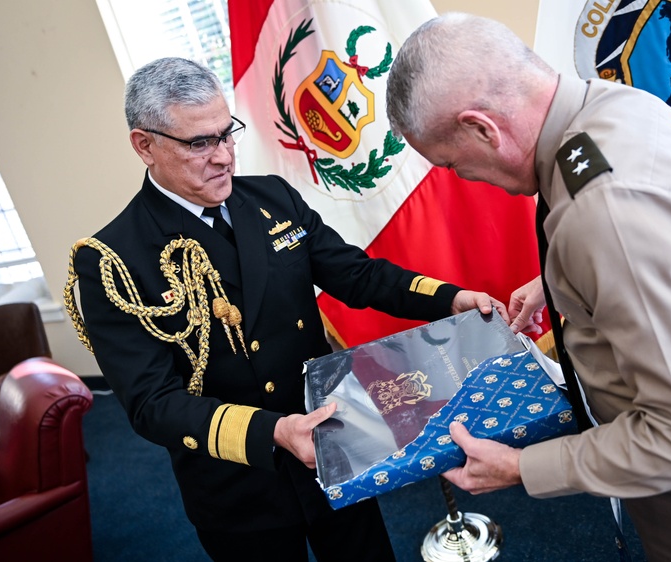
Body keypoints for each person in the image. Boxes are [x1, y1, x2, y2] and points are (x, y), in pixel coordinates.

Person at [386, 13, 671, 562]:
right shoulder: (607, 107)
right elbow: (668, 247)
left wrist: (521, 467)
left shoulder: (605, 214)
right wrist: (560, 283)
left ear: (483, 128)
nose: (463, 179)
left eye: (453, 164)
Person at [66, 57, 508, 562]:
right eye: (199, 143)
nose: (224, 156)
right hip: (237, 481)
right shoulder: (113, 259)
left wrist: (449, 298)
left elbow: (355, 274)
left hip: (330, 447)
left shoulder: (271, 198)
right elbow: (151, 403)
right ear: (144, 145)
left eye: (226, 133)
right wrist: (272, 431)